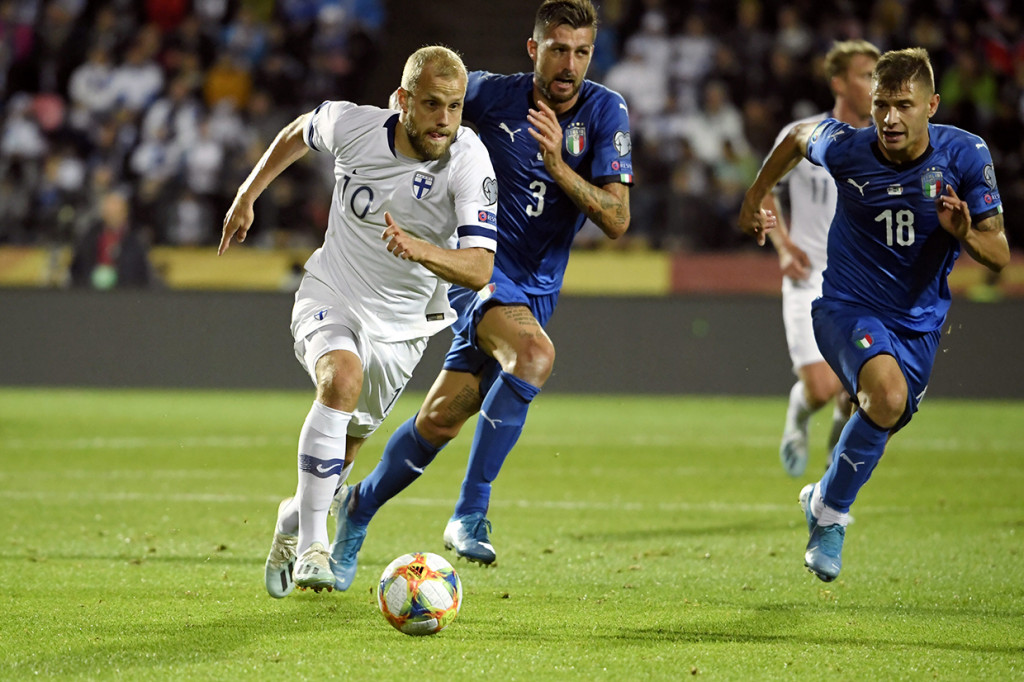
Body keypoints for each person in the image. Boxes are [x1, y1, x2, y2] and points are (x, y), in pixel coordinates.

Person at [329, 0, 631, 589]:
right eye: (558, 49)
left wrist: (559, 165)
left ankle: (358, 507)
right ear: (533, 49)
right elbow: (418, 118)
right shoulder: (490, 96)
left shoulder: (606, 111)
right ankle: (470, 512)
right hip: (480, 269)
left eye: (582, 52)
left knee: (441, 419)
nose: (570, 64)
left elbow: (618, 220)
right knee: (536, 356)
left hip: (539, 290)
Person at [218, 46, 498, 597]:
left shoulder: (469, 159)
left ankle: (291, 524)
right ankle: (313, 548)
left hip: (402, 330)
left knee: (335, 467)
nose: (444, 120)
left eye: (456, 107)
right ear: (402, 100)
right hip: (333, 290)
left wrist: (420, 250)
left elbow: (480, 267)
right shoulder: (354, 125)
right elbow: (301, 129)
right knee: (339, 377)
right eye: (432, 104)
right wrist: (249, 193)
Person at [738, 47, 1008, 582]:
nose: (889, 117)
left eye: (903, 105)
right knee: (884, 395)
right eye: (881, 103)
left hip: (919, 324)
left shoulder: (966, 155)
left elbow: (999, 253)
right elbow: (796, 138)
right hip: (846, 305)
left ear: (931, 105)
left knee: (887, 411)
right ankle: (833, 518)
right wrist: (756, 194)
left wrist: (964, 234)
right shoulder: (847, 148)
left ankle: (821, 501)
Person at [762, 40, 880, 477]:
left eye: (877, 76)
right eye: (866, 75)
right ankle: (800, 411)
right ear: (838, 82)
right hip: (807, 275)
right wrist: (783, 245)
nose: (874, 85)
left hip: (859, 283)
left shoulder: (883, 145)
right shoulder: (803, 134)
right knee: (822, 385)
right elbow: (767, 189)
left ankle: (834, 467)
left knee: (865, 383)